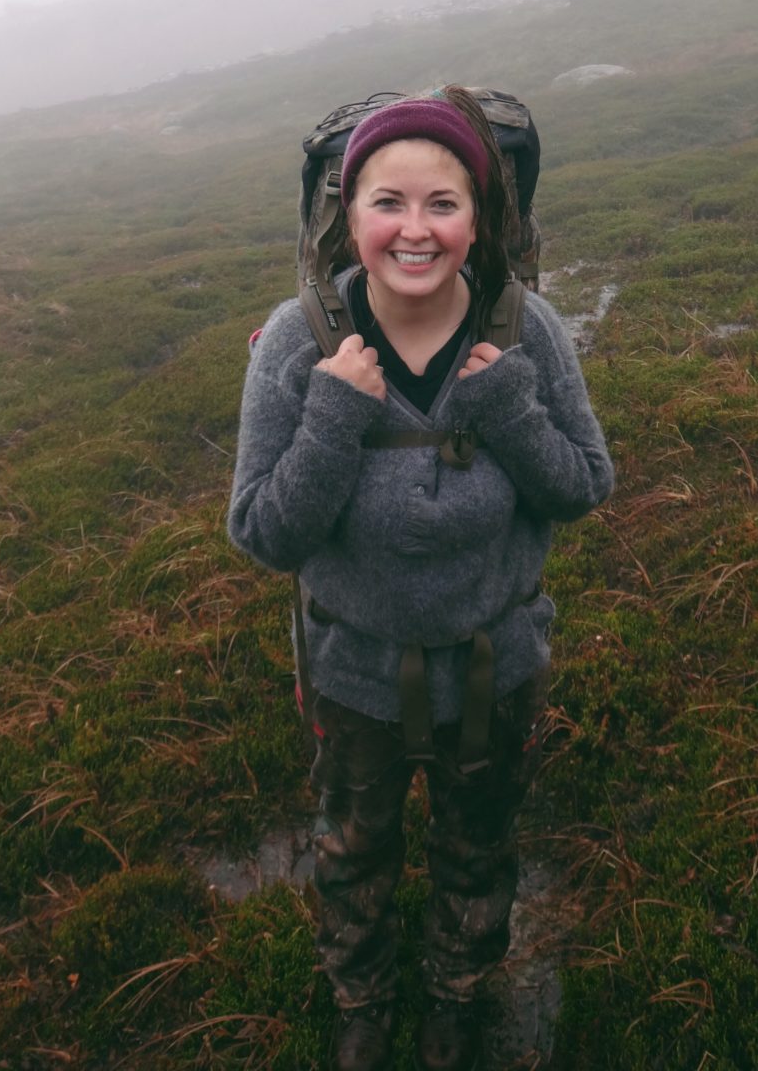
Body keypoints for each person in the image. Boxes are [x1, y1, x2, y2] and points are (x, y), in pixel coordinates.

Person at [228, 88, 614, 1071]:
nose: (414, 229)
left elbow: (583, 488)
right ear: (346, 216)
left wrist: (509, 408)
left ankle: (455, 998)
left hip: (495, 672)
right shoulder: (294, 343)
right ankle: (362, 1006)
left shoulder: (531, 335)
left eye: (443, 203)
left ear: (481, 220)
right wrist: (331, 417)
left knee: (477, 848)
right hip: (353, 677)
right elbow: (264, 533)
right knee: (352, 854)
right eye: (386, 202)